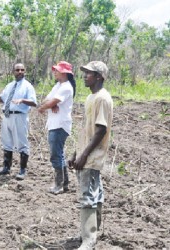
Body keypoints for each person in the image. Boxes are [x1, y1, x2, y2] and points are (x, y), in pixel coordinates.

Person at [68, 61, 113, 250]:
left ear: (99, 77)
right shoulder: (91, 98)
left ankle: (89, 239)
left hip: (92, 156)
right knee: (96, 193)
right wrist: (76, 152)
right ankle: (92, 231)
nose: (85, 76)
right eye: (85, 73)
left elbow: (101, 130)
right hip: (87, 153)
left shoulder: (102, 98)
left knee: (88, 195)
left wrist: (84, 155)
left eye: (89, 73)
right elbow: (87, 130)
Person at [0, 63, 37, 180]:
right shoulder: (9, 85)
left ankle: (22, 170)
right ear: (13, 71)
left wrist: (22, 100)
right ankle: (6, 167)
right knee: (7, 142)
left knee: (22, 143)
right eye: (17, 70)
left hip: (19, 116)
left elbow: (34, 102)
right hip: (7, 116)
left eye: (22, 70)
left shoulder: (28, 86)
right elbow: (3, 99)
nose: (20, 72)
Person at [38, 61, 76, 195]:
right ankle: (64, 184)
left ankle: (59, 185)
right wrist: (50, 104)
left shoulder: (66, 87)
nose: (54, 72)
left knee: (56, 155)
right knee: (59, 154)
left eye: (57, 70)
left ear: (65, 73)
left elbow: (51, 101)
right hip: (54, 123)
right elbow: (48, 99)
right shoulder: (58, 86)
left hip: (60, 125)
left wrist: (46, 106)